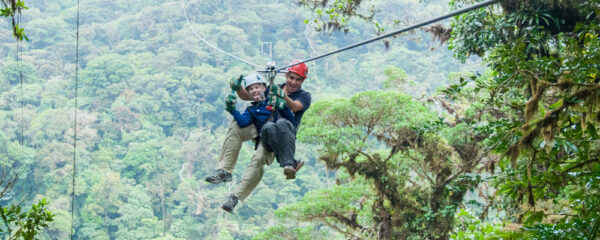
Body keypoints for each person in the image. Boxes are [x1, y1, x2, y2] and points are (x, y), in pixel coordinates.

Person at [205, 60, 311, 213]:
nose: (293, 82)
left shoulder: (304, 95)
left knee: (258, 159)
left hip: (280, 136)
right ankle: (224, 170)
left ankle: (235, 197)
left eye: (298, 79)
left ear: (302, 81)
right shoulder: (272, 89)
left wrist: (282, 98)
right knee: (236, 125)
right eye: (291, 78)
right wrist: (237, 87)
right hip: (262, 127)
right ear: (287, 75)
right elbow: (250, 95)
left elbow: (296, 106)